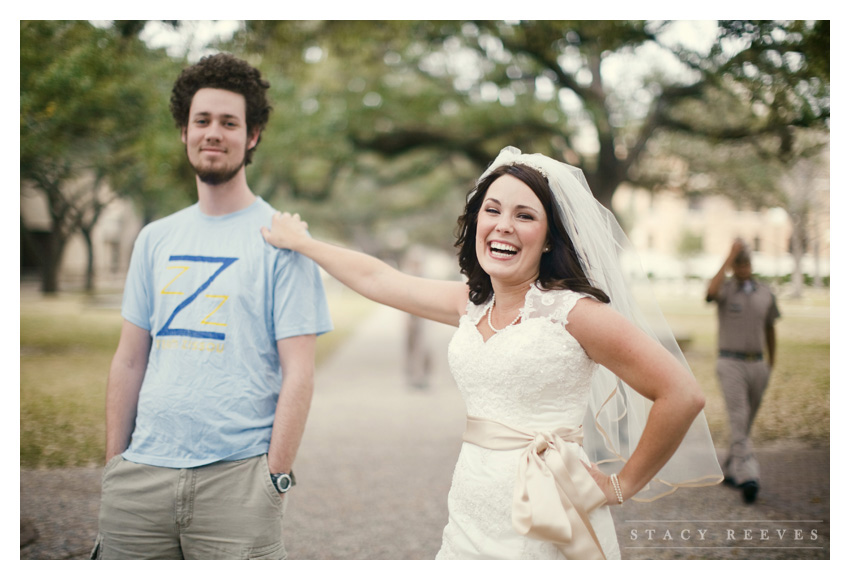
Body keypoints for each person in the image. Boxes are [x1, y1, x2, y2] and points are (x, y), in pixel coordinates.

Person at [261, 146, 722, 559]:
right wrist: (303, 243)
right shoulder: (471, 302)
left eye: (525, 215)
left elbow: (681, 394)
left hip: (547, 513)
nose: (503, 225)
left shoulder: (575, 313)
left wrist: (619, 486)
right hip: (470, 509)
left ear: (549, 236)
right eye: (492, 210)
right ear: (476, 220)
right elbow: (380, 281)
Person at [93, 53, 333, 559]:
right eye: (202, 120)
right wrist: (115, 464)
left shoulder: (283, 242)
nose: (213, 133)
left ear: (252, 136)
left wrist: (275, 475)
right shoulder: (154, 238)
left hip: (238, 481)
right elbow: (130, 357)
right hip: (140, 479)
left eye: (229, 122)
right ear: (184, 131)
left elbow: (300, 371)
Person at [706, 239, 779, 504]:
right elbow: (710, 292)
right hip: (730, 363)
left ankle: (728, 467)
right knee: (739, 419)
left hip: (758, 364)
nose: (743, 268)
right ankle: (749, 476)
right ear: (733, 267)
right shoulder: (725, 290)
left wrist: (771, 363)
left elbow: (771, 328)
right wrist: (728, 256)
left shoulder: (765, 293)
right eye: (738, 264)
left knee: (744, 424)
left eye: (746, 263)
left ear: (751, 265)